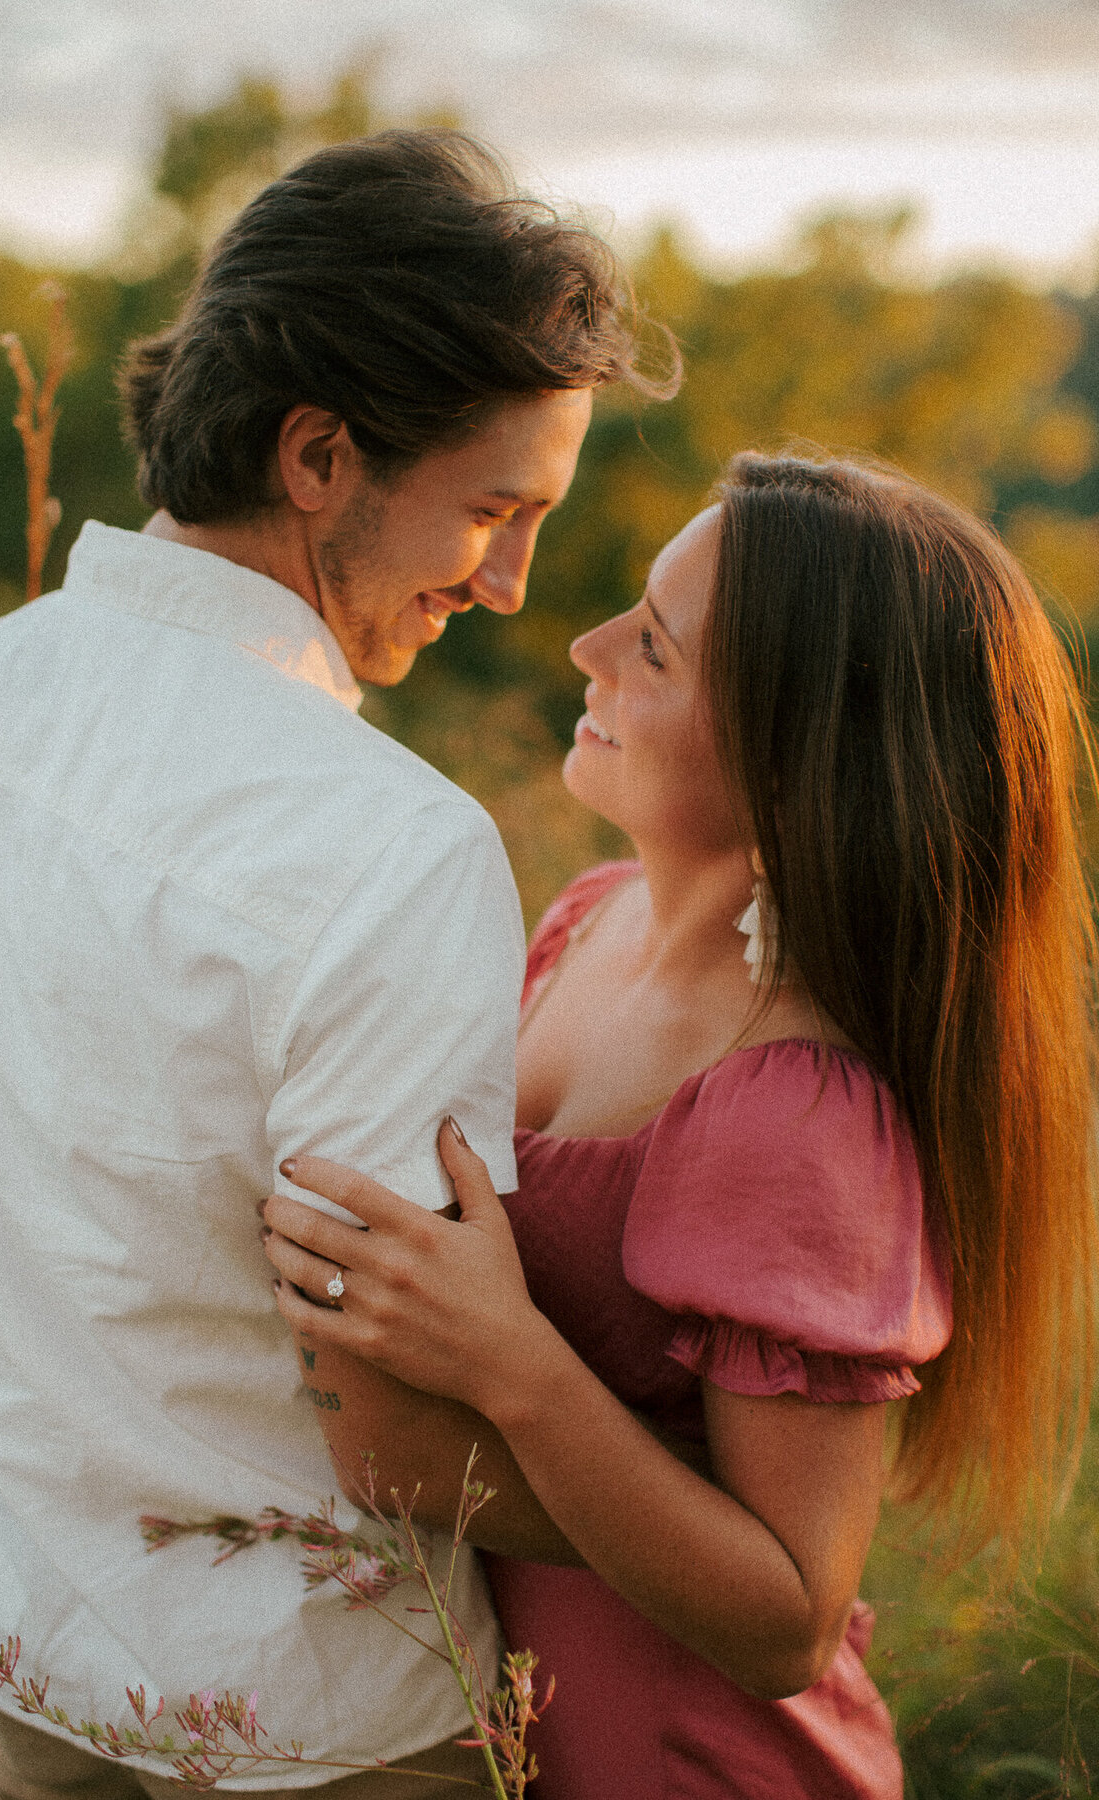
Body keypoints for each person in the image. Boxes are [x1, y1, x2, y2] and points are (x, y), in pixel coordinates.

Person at [0, 130, 672, 1798]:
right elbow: (394, 1435)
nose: (516, 584)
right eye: (491, 508)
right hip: (325, 1731)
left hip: (34, 1672)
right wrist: (709, 1528)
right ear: (318, 453)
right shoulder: (388, 845)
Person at [262, 452, 1099, 1800]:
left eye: (650, 645)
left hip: (693, 1766)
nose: (587, 644)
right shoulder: (586, 919)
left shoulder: (790, 1112)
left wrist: (507, 1358)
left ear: (790, 754)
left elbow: (787, 1618)